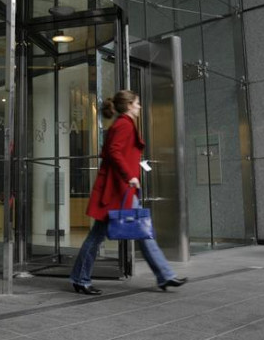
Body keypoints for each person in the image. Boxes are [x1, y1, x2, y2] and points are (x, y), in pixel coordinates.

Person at [69, 90, 187, 295]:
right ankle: (80, 278)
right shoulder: (123, 124)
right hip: (116, 191)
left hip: (121, 190)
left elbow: (119, 153)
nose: (140, 107)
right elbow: (113, 151)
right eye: (138, 103)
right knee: (101, 236)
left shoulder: (124, 124)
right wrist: (129, 176)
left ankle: (165, 275)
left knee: (142, 231)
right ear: (130, 105)